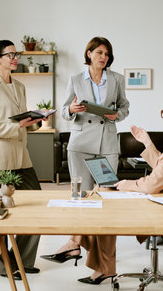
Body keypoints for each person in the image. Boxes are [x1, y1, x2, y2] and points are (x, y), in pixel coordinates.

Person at [44, 97, 163, 285]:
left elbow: (152, 184)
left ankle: (80, 248)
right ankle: (84, 252)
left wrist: (126, 183)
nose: (162, 116)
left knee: (104, 196)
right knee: (103, 190)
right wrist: (147, 142)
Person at [41, 36, 129, 284]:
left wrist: (115, 115)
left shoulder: (117, 79)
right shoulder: (76, 79)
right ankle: (79, 247)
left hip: (106, 146)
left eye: (107, 54)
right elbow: (64, 110)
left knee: (106, 202)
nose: (104, 57)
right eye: (100, 52)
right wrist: (71, 110)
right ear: (89, 53)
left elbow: (125, 107)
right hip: (80, 146)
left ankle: (85, 251)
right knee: (80, 199)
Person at [0, 40, 48, 280]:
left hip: (21, 157)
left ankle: (23, 260)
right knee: (0, 214)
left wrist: (36, 120)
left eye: (16, 54)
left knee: (37, 205)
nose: (15, 58)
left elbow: (22, 122)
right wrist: (16, 125)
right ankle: (4, 266)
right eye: (10, 54)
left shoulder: (19, 86)